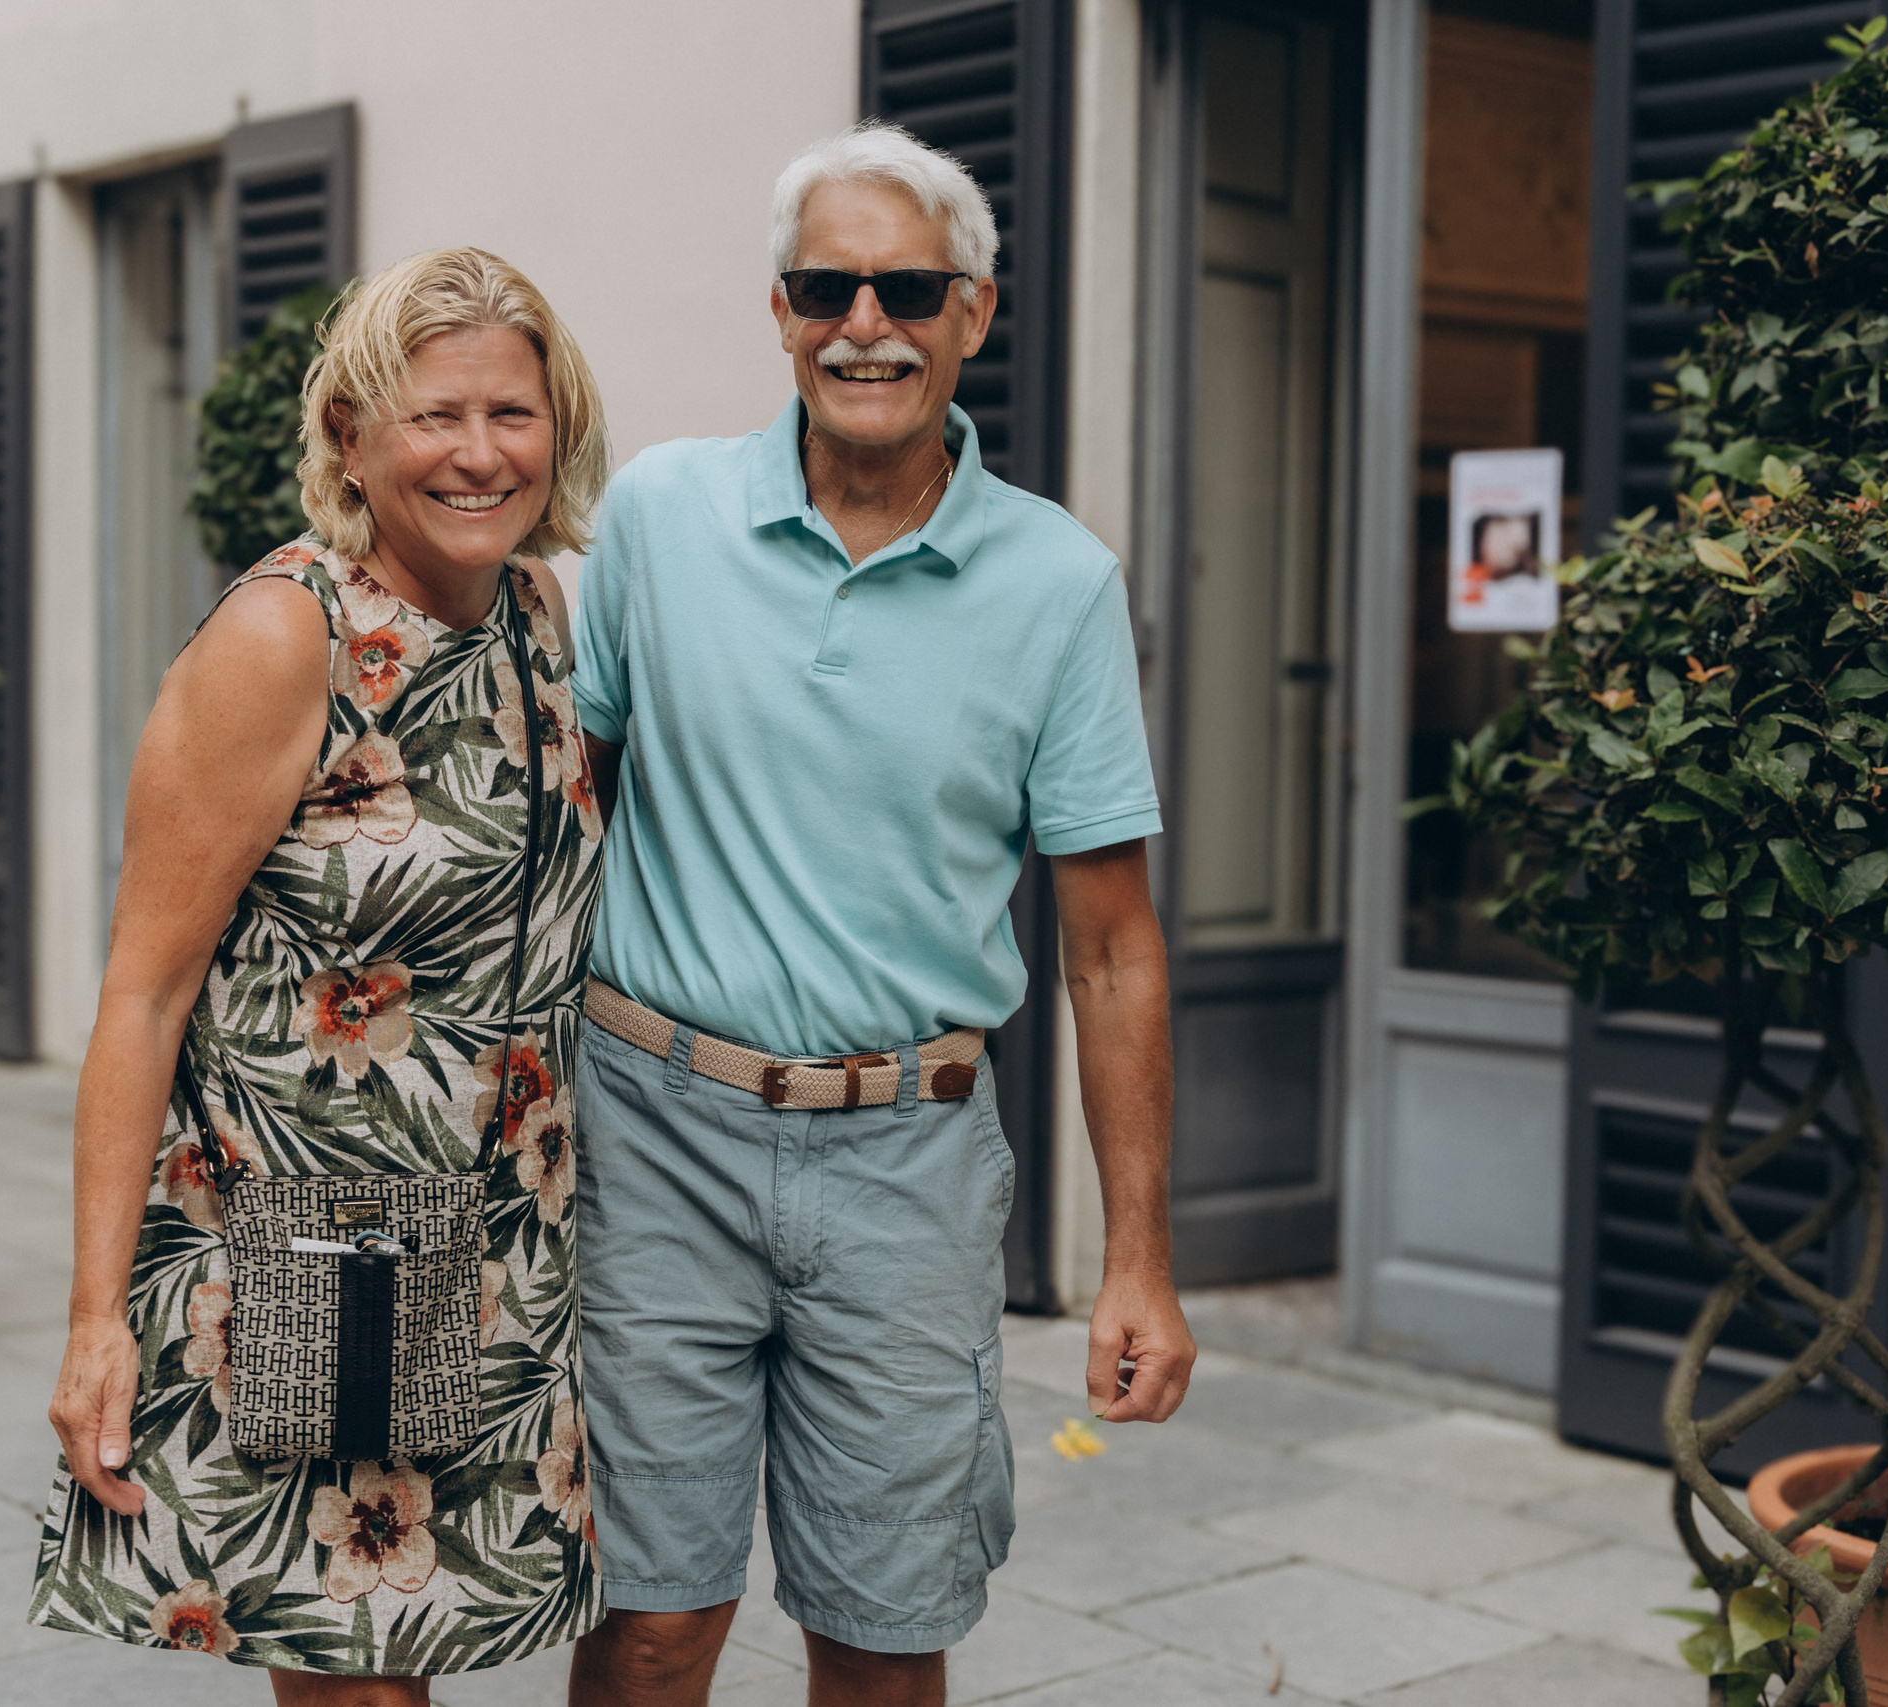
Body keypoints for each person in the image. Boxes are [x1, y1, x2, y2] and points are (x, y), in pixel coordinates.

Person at [565, 123, 1195, 1707]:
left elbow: (1112, 947)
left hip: (909, 1161)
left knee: (886, 1632)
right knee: (645, 1628)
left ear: (974, 314)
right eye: (827, 286)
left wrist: (1139, 1258)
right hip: (654, 1136)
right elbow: (564, 809)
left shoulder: (1058, 583)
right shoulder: (656, 518)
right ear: (778, 312)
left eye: (909, 286)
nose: (868, 322)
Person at [30, 246, 612, 1693]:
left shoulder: (541, 614)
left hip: (506, 1232)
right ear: (351, 438)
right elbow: (142, 992)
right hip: (326, 1237)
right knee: (358, 1675)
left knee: (436, 1642)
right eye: (434, 416)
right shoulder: (288, 634)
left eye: (512, 415)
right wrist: (96, 1319)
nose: (479, 454)